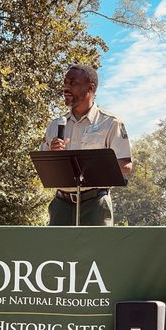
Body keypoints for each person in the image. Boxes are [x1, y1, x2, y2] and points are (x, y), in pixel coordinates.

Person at [41, 64, 132, 226]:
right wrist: (53, 154)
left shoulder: (110, 123)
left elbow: (125, 165)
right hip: (61, 205)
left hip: (95, 204)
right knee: (56, 251)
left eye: (73, 83)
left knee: (98, 252)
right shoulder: (55, 125)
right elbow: (43, 167)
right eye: (65, 83)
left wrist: (89, 167)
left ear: (90, 88)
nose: (66, 87)